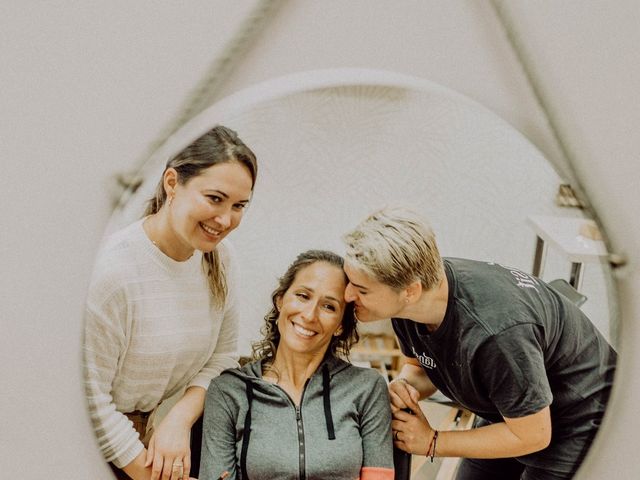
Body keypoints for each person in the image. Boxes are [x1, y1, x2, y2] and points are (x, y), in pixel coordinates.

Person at [342, 206, 617, 480]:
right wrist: (404, 387)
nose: (347, 294)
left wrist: (432, 441)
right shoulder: (411, 302)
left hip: (578, 418)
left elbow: (534, 434)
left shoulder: (495, 334)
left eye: (361, 289)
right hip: (512, 408)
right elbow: (420, 367)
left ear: (410, 291)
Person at [83, 125, 258, 480]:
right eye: (214, 198)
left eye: (239, 205)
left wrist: (180, 417)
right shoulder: (114, 271)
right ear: (172, 183)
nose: (225, 220)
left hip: (149, 441)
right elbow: (92, 399)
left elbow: (222, 356)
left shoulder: (220, 259)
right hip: (91, 447)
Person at [199, 250, 395, 480]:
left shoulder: (367, 388)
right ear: (281, 300)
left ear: (341, 325)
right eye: (303, 296)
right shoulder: (230, 391)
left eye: (329, 306)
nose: (310, 315)